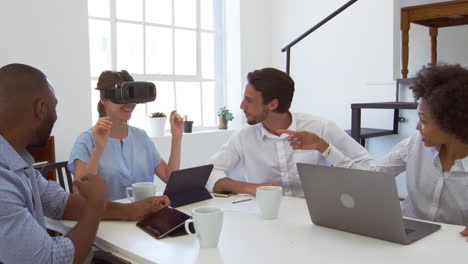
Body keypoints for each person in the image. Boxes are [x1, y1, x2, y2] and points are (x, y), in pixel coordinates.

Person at [0, 63, 170, 264]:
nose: (56, 115)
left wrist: (132, 210)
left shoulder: (19, 165)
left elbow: (61, 203)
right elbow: (52, 260)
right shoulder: (4, 183)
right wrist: (95, 205)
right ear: (41, 109)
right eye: (55, 106)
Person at [279, 63, 468, 234]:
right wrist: (323, 147)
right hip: (410, 236)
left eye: (423, 120)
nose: (417, 127)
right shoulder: (414, 145)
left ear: (451, 121)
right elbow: (370, 176)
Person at [207, 67, 373, 197]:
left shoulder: (321, 128)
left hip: (316, 218)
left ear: (272, 104)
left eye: (249, 100)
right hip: (265, 219)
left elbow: (368, 168)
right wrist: (249, 187)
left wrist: (326, 150)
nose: (242, 106)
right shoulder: (243, 137)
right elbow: (209, 175)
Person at [68, 70, 184, 201]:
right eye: (122, 98)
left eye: (131, 97)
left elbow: (169, 177)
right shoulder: (86, 140)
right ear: (103, 99)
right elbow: (79, 194)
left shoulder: (141, 137)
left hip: (144, 213)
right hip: (107, 217)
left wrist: (176, 137)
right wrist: (98, 150)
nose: (130, 104)